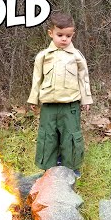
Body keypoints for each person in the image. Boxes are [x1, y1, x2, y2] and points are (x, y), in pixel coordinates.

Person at [27, 12, 93, 178]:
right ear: (51, 33)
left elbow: (83, 78)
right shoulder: (43, 56)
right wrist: (33, 99)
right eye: (60, 35)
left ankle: (72, 167)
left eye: (68, 36)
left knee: (71, 135)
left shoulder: (76, 56)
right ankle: (49, 168)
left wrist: (86, 99)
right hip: (48, 105)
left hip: (70, 105)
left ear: (73, 35)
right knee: (47, 136)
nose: (64, 39)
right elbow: (37, 79)